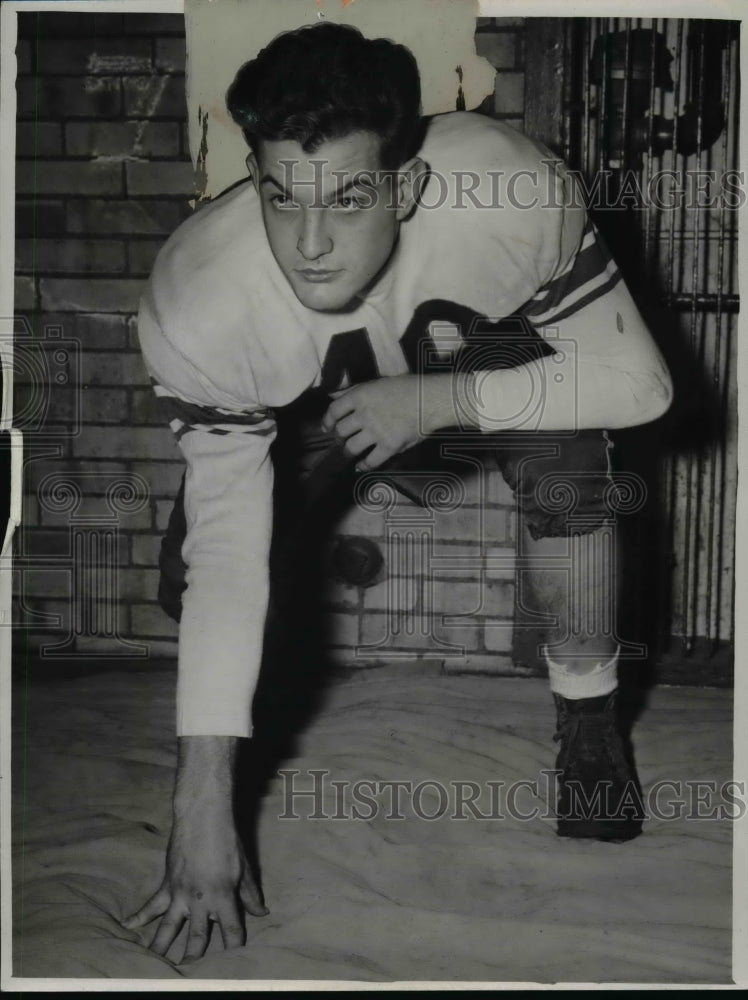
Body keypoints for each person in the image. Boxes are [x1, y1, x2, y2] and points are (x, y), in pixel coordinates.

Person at [126, 22, 673, 963]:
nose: (310, 244)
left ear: (407, 186)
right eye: (279, 198)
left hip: (474, 363)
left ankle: (589, 720)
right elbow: (227, 547)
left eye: (348, 197)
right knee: (200, 574)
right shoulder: (197, 297)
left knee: (575, 460)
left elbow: (641, 383)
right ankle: (225, 763)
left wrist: (440, 398)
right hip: (319, 400)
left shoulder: (509, 191)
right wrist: (199, 801)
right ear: (250, 177)